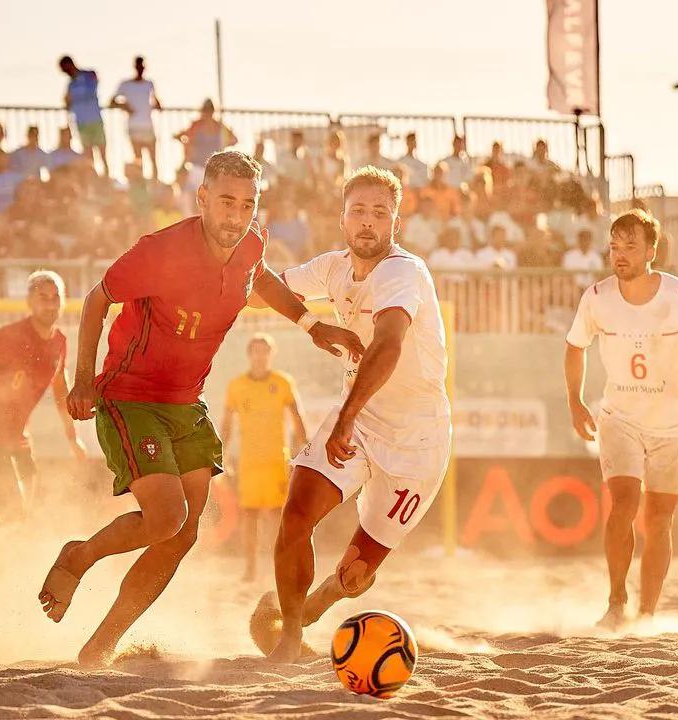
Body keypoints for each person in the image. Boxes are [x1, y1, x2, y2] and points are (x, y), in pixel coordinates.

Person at [37, 150, 364, 666]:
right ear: (203, 199)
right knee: (167, 518)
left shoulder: (251, 242)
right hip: (131, 395)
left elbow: (259, 278)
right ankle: (76, 558)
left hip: (186, 401)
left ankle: (99, 646)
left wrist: (312, 325)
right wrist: (82, 379)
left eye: (247, 205)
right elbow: (98, 299)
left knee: (183, 532)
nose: (236, 216)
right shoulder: (159, 251)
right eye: (226, 202)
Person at [259, 166, 452, 663]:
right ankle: (290, 639)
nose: (368, 222)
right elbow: (261, 282)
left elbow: (387, 347)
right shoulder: (332, 266)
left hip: (417, 441)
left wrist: (344, 418)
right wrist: (310, 324)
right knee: (297, 512)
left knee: (355, 575)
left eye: (380, 213)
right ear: (342, 219)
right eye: (358, 211)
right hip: (362, 419)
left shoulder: (402, 271)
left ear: (396, 222)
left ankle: (318, 601)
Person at [564, 209, 678, 631]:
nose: (619, 254)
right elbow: (575, 347)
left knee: (659, 519)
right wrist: (576, 401)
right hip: (618, 416)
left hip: (671, 423)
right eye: (615, 246)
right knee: (623, 504)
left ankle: (647, 614)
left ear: (651, 251)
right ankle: (616, 601)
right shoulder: (597, 297)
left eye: (630, 247)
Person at [0, 270, 86, 519]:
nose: (50, 304)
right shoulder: (9, 336)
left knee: (21, 515)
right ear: (29, 302)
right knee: (13, 514)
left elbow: (61, 392)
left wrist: (73, 439)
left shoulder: (60, 342)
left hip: (18, 440)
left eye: (55, 297)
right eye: (43, 297)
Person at [221, 334, 308, 582]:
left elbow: (297, 416)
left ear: (271, 354)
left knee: (276, 515)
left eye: (265, 351)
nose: (260, 356)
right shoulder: (236, 386)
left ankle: (278, 566)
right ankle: (250, 568)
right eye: (256, 351)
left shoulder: (283, 382)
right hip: (249, 462)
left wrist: (305, 449)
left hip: (276, 460)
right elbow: (226, 425)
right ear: (249, 355)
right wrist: (222, 454)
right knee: (249, 515)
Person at [112, 56, 162, 179]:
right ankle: (141, 184)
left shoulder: (149, 84)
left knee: (153, 158)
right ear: (135, 67)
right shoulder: (126, 84)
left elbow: (158, 103)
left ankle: (155, 184)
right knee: (138, 159)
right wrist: (124, 105)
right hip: (134, 127)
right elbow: (112, 102)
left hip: (148, 126)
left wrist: (155, 106)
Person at [60, 55, 107, 172]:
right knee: (88, 155)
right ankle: (93, 179)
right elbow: (67, 102)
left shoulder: (89, 75)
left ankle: (106, 178)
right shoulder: (70, 85)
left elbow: (91, 91)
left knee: (102, 153)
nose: (66, 72)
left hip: (95, 120)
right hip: (82, 123)